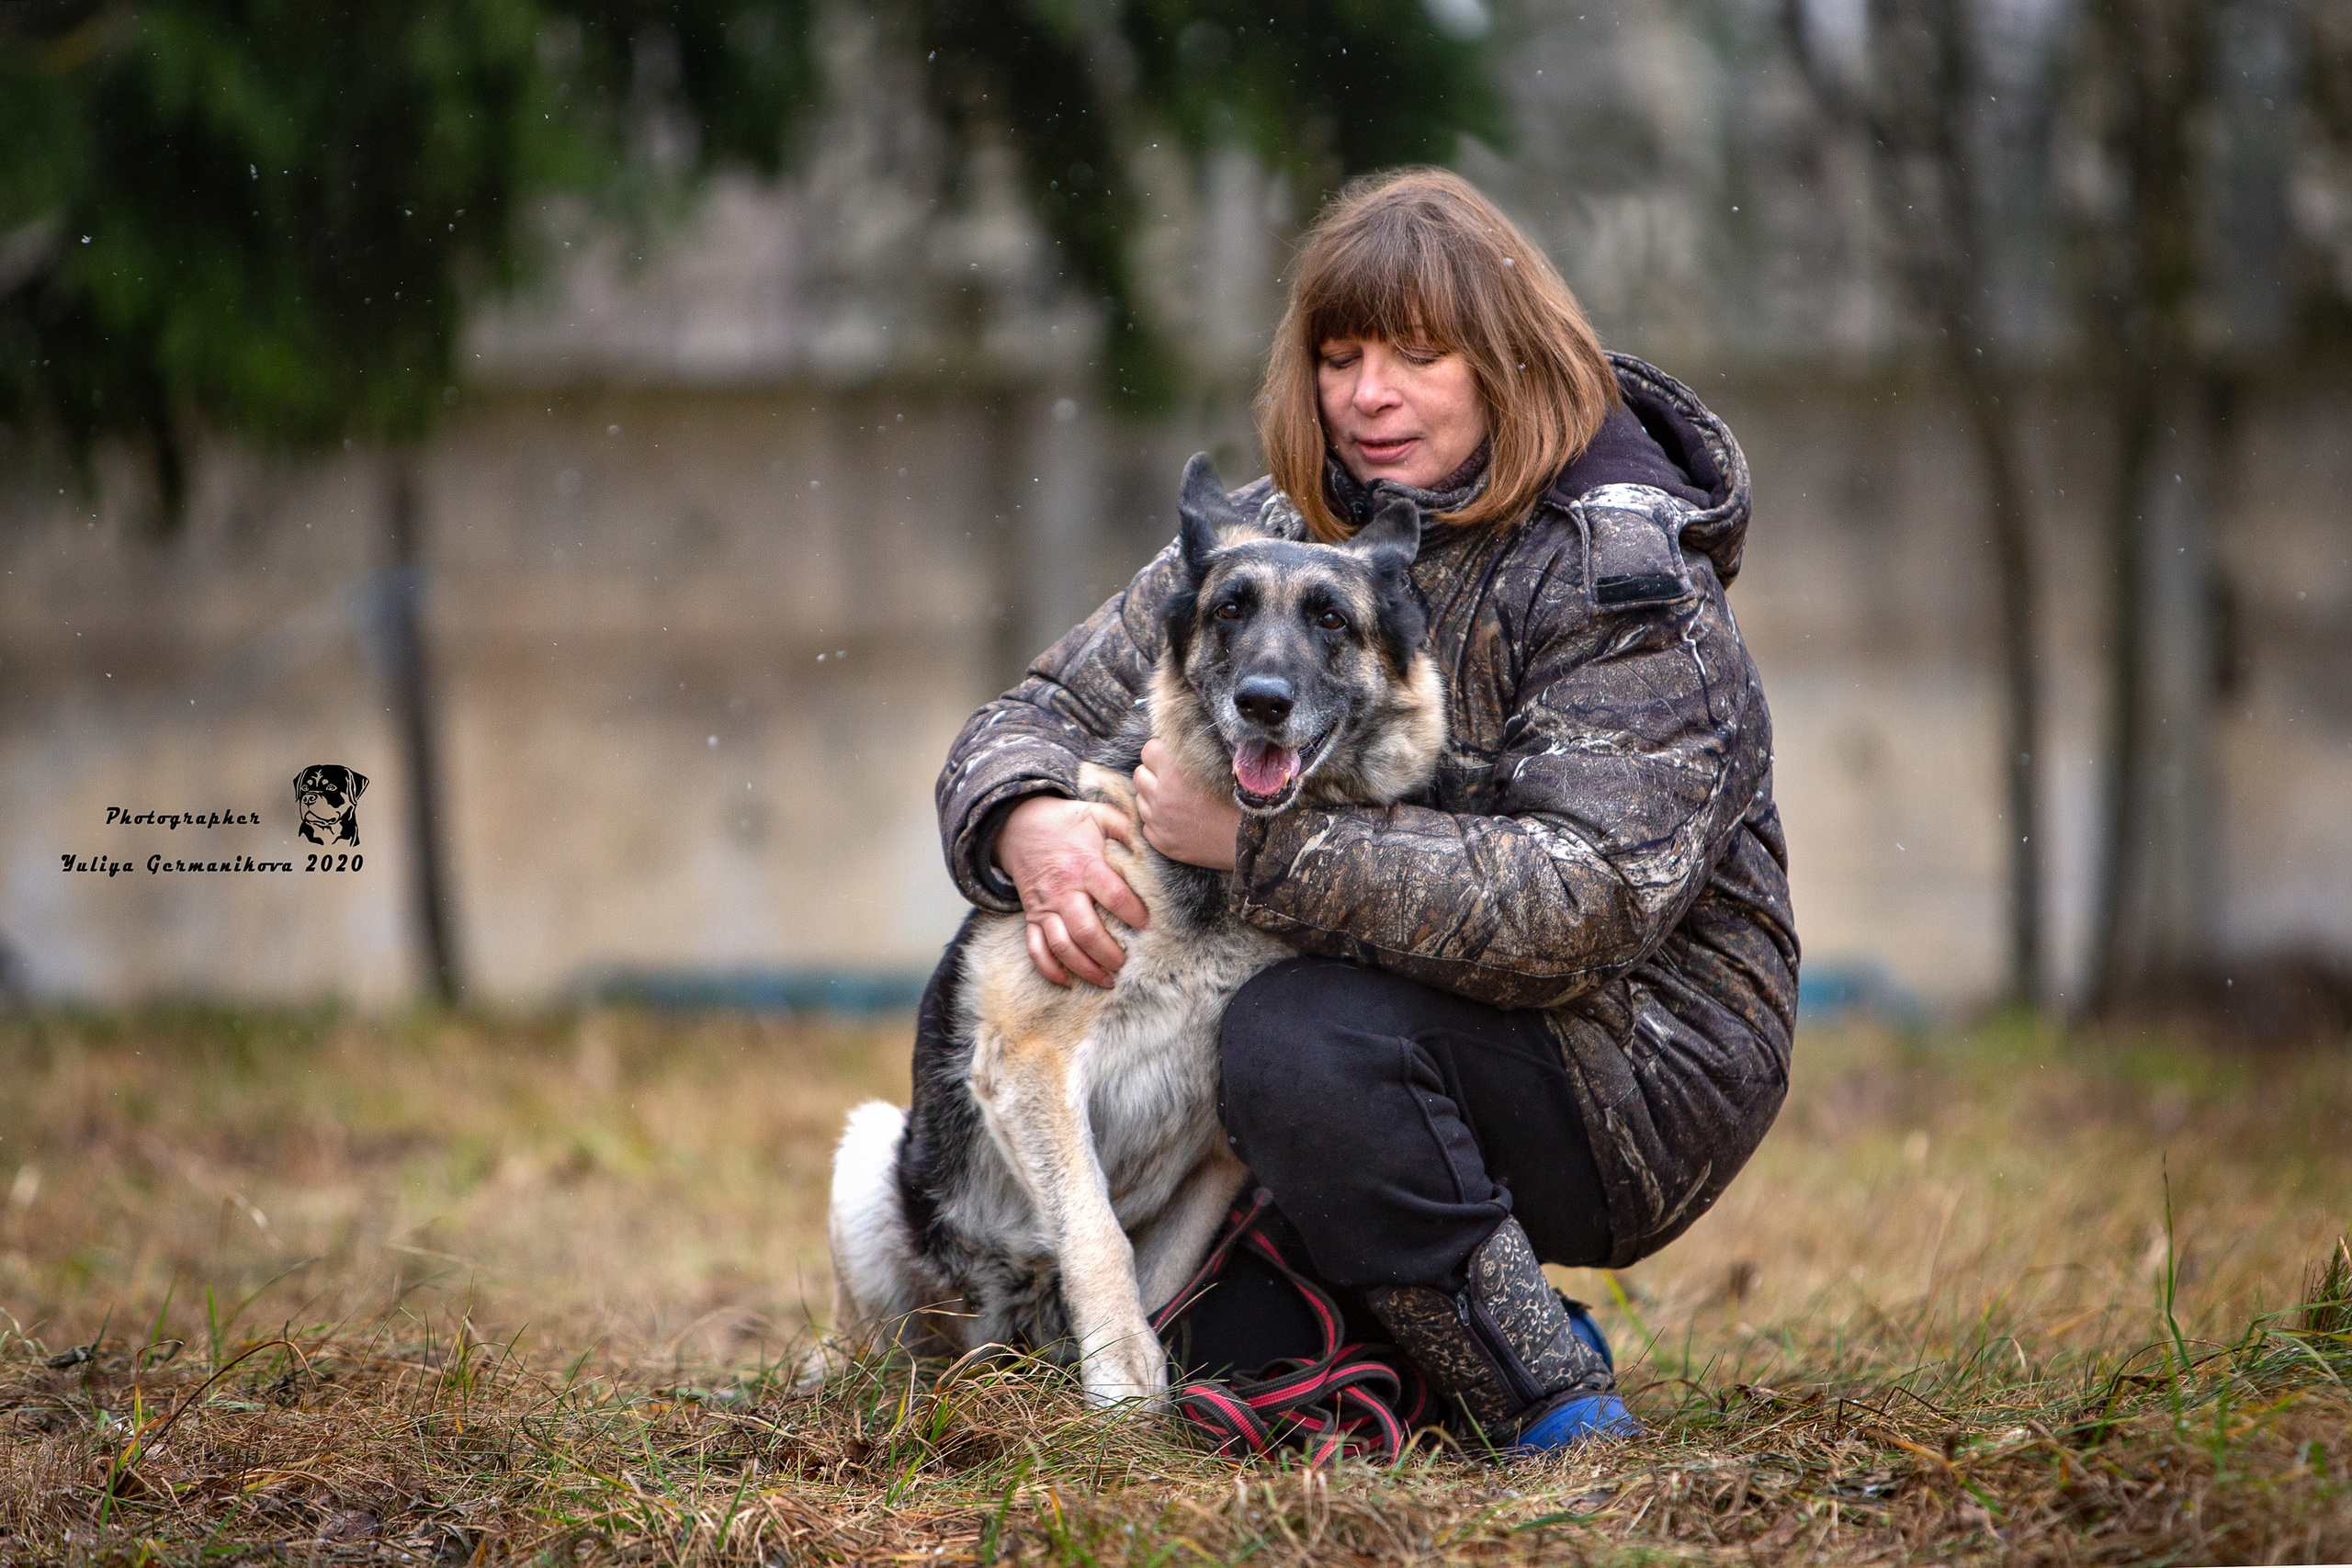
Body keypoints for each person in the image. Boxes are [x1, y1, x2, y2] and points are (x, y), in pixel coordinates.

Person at [931, 167, 1798, 1450]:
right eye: (1338, 356)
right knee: (1237, 1353)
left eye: (1418, 354)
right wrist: (1023, 824)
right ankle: (1428, 1326)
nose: (1368, 394)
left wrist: (1256, 850)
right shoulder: (1276, 545)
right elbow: (1028, 717)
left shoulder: (1622, 578)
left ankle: (1547, 1397)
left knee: (1297, 1042)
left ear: (1504, 360)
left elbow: (1585, 900)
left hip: (1635, 1057)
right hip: (1380, 1006)